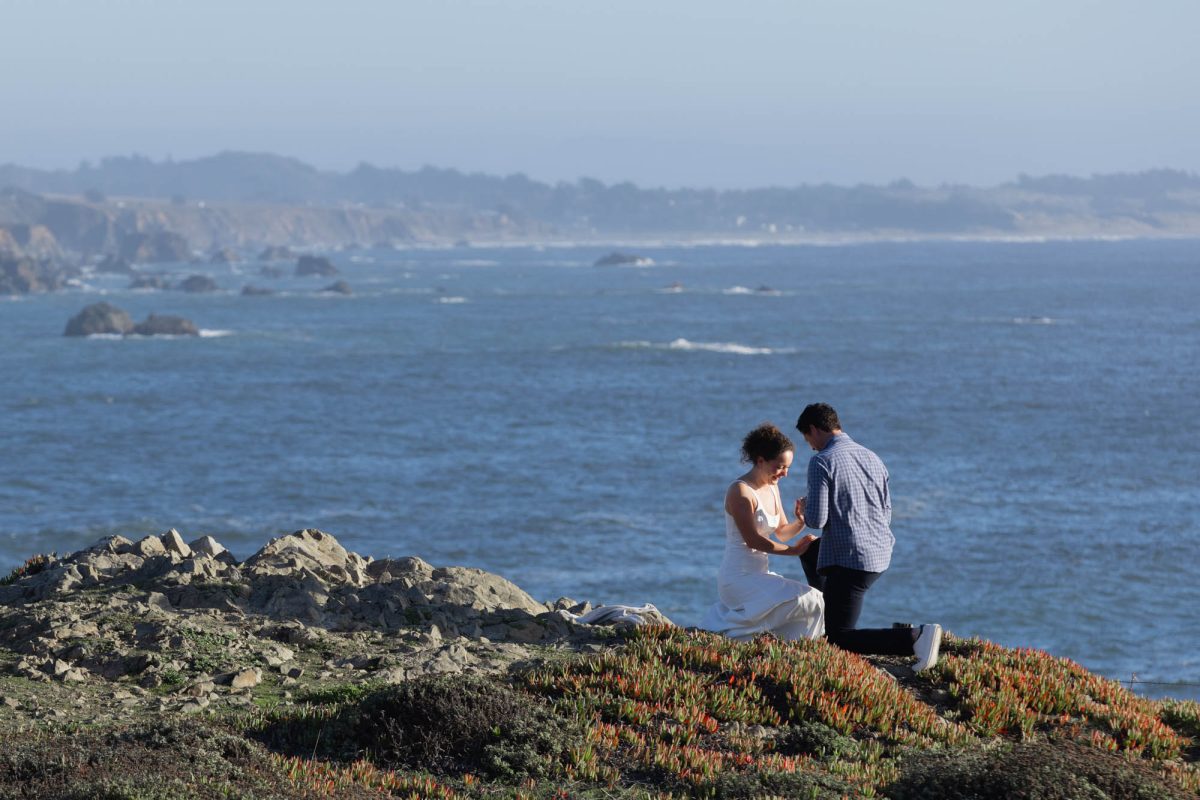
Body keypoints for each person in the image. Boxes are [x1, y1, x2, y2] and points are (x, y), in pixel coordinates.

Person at [793, 403, 942, 671]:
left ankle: (914, 638)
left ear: (814, 429)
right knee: (811, 553)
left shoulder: (821, 461)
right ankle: (822, 615)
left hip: (852, 561)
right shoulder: (871, 456)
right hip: (880, 551)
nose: (811, 446)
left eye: (808, 439)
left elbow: (817, 520)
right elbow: (886, 509)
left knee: (838, 638)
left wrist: (805, 508)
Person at [701, 423, 825, 641]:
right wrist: (794, 551)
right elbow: (753, 540)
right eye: (780, 466)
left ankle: (792, 650)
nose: (785, 473)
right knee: (813, 598)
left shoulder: (772, 487)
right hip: (738, 578)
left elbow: (782, 533)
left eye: (787, 467)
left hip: (760, 574)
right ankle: (725, 631)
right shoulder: (740, 491)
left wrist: (801, 521)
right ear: (760, 460)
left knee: (815, 602)